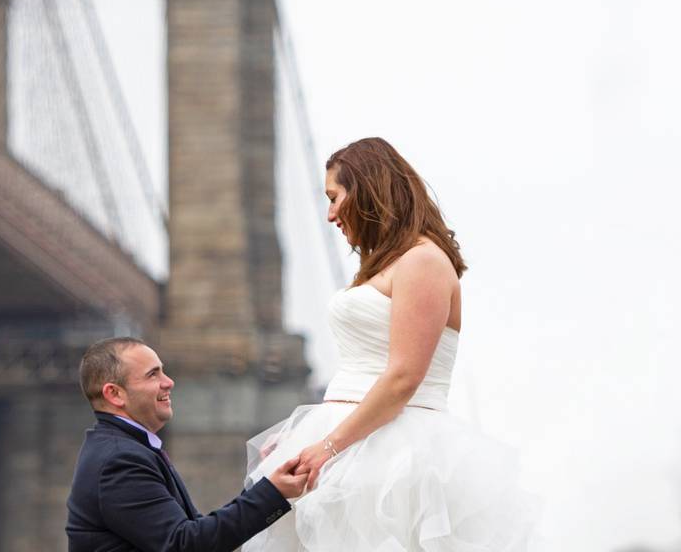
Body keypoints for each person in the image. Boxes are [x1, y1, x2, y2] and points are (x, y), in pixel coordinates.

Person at [242, 137, 539, 551]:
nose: (329, 215)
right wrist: (309, 436)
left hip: (395, 450)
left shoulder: (423, 262)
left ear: (365, 192)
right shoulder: (384, 265)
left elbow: (403, 377)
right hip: (354, 438)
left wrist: (325, 448)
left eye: (334, 198)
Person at [66, 336, 308, 552]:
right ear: (115, 394)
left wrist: (264, 480)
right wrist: (273, 493)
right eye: (153, 374)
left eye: (163, 371)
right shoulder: (119, 461)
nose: (169, 382)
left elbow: (194, 532)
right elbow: (186, 544)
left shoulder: (127, 448)